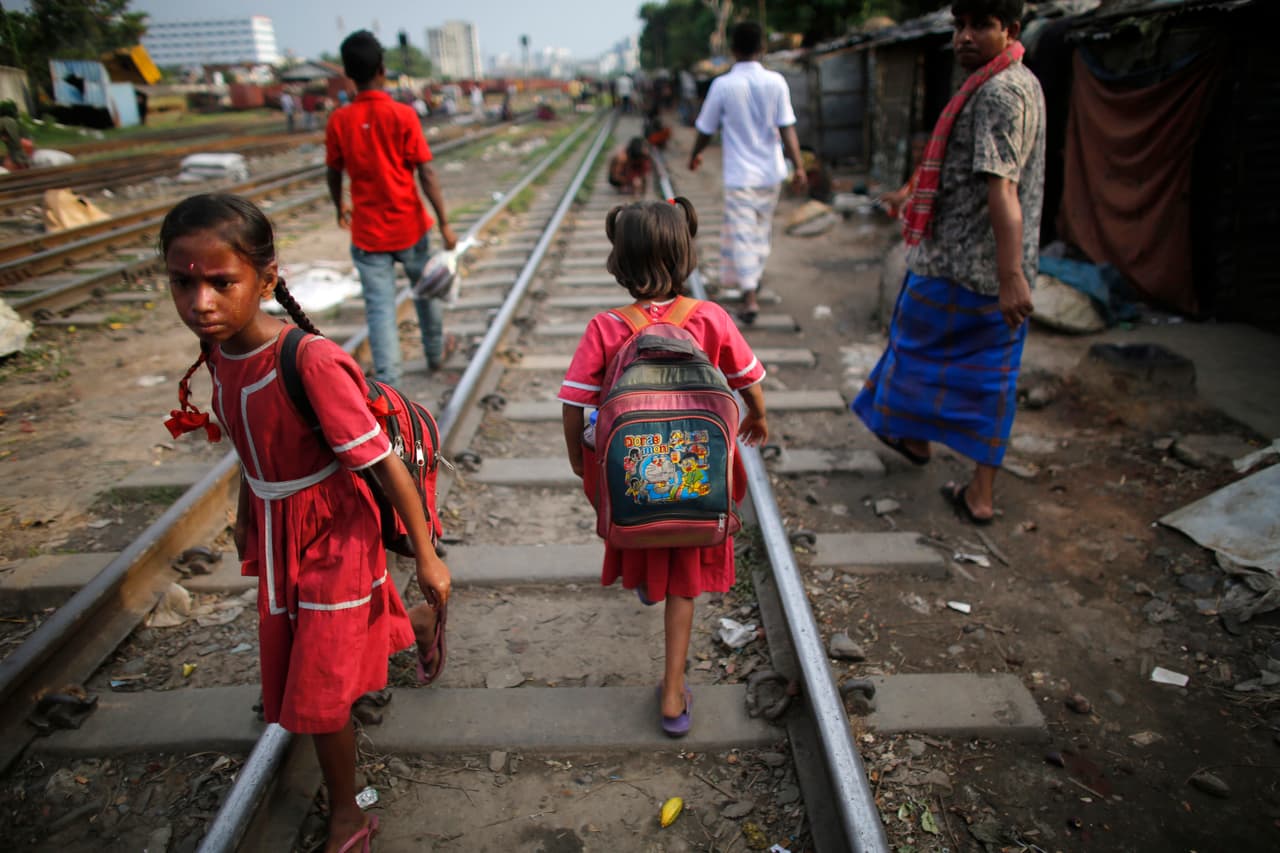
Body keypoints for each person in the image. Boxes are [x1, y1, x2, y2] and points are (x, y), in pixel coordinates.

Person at [159, 193, 451, 853]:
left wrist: (428, 557)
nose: (200, 301)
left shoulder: (310, 362)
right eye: (184, 282)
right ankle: (416, 623)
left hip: (333, 533)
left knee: (320, 688)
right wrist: (243, 512)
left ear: (264, 280)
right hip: (276, 524)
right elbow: (246, 442)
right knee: (316, 655)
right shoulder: (221, 353)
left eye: (220, 282)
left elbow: (384, 467)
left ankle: (346, 809)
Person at [558, 198, 768, 736]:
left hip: (635, 476)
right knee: (683, 581)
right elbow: (749, 381)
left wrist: (580, 463)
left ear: (619, 263)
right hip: (697, 484)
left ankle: (645, 575)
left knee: (644, 521)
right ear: (686, 256)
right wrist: (759, 418)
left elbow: (573, 403)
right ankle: (673, 693)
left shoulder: (606, 327)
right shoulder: (711, 318)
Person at [851, 0, 1045, 525]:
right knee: (985, 379)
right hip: (965, 262)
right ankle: (939, 459)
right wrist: (911, 194)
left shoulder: (1003, 92)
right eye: (959, 25)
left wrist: (1010, 278)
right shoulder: (989, 84)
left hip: (967, 269)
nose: (964, 36)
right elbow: (957, 167)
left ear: (1011, 30)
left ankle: (962, 479)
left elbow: (1002, 188)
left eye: (981, 25)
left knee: (924, 359)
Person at [326, 30, 459, 385]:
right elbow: (426, 172)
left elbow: (333, 170)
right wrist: (444, 223)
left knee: (380, 309)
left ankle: (390, 384)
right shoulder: (402, 114)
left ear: (348, 74)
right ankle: (434, 353)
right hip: (410, 226)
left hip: (368, 234)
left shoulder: (340, 120)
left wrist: (340, 205)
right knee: (426, 290)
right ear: (382, 70)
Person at [689, 21, 807, 325]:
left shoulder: (724, 85)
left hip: (741, 175)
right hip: (770, 173)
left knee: (743, 235)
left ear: (733, 49)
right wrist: (799, 167)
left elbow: (705, 128)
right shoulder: (777, 82)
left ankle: (749, 296)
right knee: (760, 229)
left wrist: (695, 153)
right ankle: (752, 279)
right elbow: (787, 128)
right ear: (762, 48)